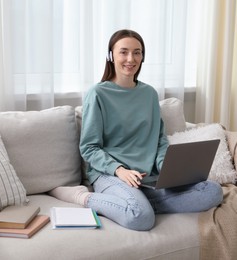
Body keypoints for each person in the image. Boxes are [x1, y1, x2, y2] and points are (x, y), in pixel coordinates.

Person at [49, 29, 223, 231]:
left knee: (213, 191)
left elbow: (159, 141)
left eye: (137, 52)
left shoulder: (149, 94)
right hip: (111, 175)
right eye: (123, 52)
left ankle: (139, 203)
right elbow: (89, 147)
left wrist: (166, 168)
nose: (130, 59)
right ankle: (84, 197)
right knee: (141, 218)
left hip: (149, 177)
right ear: (111, 55)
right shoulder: (97, 94)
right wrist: (119, 170)